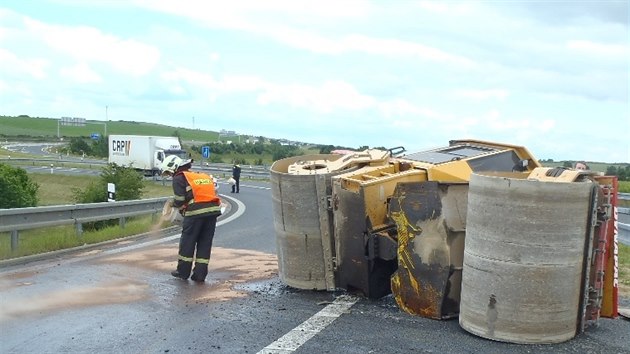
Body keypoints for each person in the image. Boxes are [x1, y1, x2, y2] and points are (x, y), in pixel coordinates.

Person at [160, 155, 222, 282]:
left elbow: (179, 200)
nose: (170, 175)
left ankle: (183, 272)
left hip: (195, 213)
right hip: (212, 213)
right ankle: (200, 275)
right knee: (205, 243)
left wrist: (172, 204)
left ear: (173, 168)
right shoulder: (199, 176)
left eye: (169, 172)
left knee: (188, 242)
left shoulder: (179, 177)